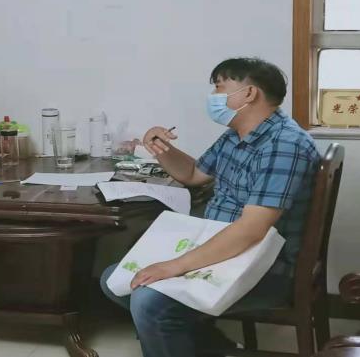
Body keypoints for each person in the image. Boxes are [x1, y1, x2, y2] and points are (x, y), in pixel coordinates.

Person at [100, 57, 320, 357]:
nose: (213, 96)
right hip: (222, 248)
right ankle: (214, 348)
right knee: (114, 278)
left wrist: (174, 266)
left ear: (249, 93)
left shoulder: (284, 145)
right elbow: (193, 174)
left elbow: (251, 230)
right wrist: (160, 148)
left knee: (149, 301)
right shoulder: (237, 134)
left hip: (264, 266)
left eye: (219, 88)